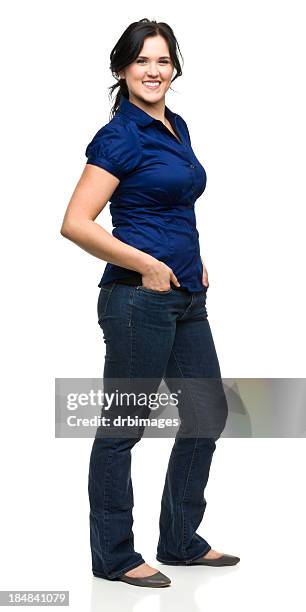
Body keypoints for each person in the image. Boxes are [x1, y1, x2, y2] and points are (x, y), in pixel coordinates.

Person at [60, 18, 240, 588]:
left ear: (175, 68)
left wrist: (193, 257)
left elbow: (172, 206)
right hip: (137, 300)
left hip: (187, 294)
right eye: (142, 61)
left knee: (207, 414)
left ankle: (181, 540)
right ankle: (113, 556)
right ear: (122, 69)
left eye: (162, 61)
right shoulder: (121, 136)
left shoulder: (175, 126)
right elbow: (75, 224)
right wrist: (150, 264)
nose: (154, 71)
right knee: (123, 428)